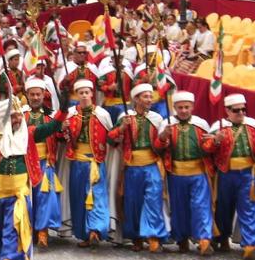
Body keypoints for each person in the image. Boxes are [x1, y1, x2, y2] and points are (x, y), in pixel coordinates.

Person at [0, 91, 68, 259]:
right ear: (3, 119)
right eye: (12, 116)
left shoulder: (29, 133)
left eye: (19, 115)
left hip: (18, 196)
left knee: (13, 233)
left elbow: (52, 126)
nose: (18, 119)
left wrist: (63, 110)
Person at [108, 83, 168, 252]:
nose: (149, 99)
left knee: (153, 200)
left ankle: (153, 236)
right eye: (145, 96)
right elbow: (111, 139)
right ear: (136, 99)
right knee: (133, 203)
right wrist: (122, 127)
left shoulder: (156, 119)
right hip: (131, 167)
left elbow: (159, 146)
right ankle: (137, 238)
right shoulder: (125, 116)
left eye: (150, 96)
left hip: (151, 165)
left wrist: (164, 138)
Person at [154, 91, 214, 255]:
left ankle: (204, 240)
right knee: (179, 208)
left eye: (187, 107)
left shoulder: (201, 124)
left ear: (192, 107)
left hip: (198, 173)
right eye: (180, 107)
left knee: (200, 206)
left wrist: (214, 141)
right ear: (174, 108)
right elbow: (158, 149)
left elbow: (208, 149)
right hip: (176, 174)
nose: (183, 111)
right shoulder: (167, 125)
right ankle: (182, 239)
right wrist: (163, 136)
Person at [208, 94, 255, 259]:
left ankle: (250, 244)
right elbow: (206, 148)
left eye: (243, 109)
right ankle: (222, 237)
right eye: (236, 110)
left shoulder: (253, 125)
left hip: (247, 173)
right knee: (223, 207)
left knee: (249, 208)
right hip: (225, 174)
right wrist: (216, 141)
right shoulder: (218, 126)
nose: (241, 113)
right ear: (227, 110)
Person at [61, 79, 112, 247]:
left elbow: (111, 137)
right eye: (80, 93)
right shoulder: (70, 114)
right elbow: (63, 138)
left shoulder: (102, 114)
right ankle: (84, 234)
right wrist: (64, 128)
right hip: (77, 163)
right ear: (77, 95)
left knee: (97, 196)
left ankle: (96, 229)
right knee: (79, 198)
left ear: (92, 94)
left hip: (95, 163)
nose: (84, 95)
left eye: (86, 92)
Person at [23, 78, 65, 247]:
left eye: (38, 94)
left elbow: (61, 138)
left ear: (43, 95)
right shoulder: (21, 115)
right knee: (26, 198)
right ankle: (27, 230)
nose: (35, 97)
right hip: (25, 163)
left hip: (44, 162)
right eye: (32, 94)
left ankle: (42, 232)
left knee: (45, 197)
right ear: (27, 95)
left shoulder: (51, 116)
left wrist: (63, 130)